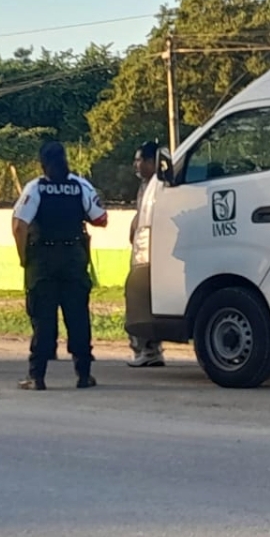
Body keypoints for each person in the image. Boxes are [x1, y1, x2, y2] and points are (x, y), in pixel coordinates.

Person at [12, 141, 109, 391]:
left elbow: (19, 226)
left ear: (42, 164)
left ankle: (37, 376)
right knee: (78, 317)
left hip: (43, 261)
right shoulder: (80, 186)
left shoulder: (36, 188)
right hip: (73, 258)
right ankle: (84, 375)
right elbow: (101, 219)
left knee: (43, 319)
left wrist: (24, 258)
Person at [125, 140, 165, 367]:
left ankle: (148, 350)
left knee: (141, 299)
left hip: (152, 254)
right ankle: (147, 348)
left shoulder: (159, 185)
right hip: (142, 251)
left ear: (152, 162)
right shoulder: (145, 186)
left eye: (140, 160)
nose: (136, 165)